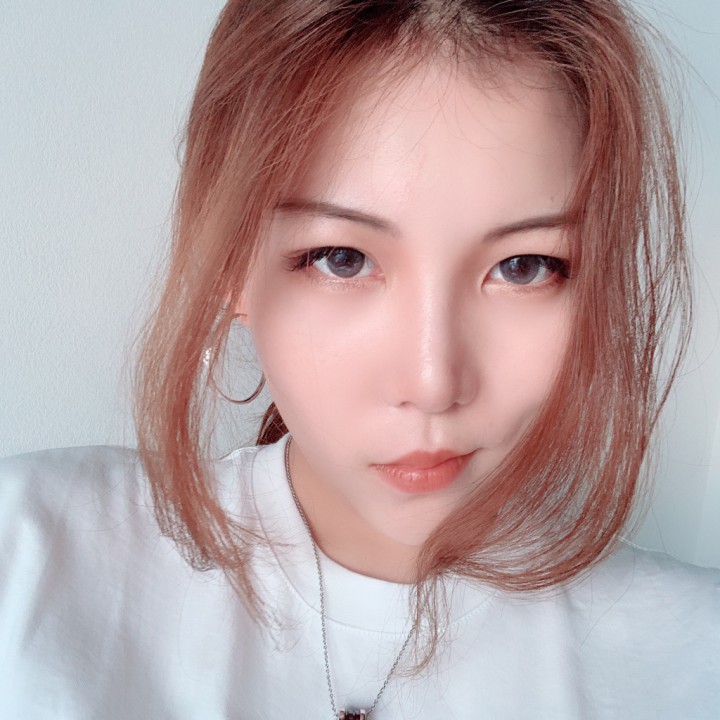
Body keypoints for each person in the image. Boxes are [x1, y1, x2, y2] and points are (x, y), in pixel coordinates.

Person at [1, 1, 718, 718]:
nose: (432, 384)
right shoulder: (28, 554)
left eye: (524, 266)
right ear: (230, 264)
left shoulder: (693, 658)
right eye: (341, 259)